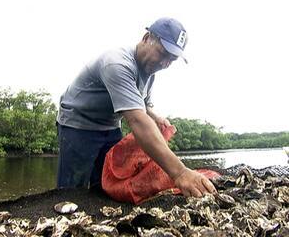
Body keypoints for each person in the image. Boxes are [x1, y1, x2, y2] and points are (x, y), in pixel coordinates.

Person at [56, 17, 217, 198]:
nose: (165, 63)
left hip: (109, 126)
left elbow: (143, 104)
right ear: (147, 38)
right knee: (71, 190)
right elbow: (137, 119)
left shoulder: (149, 71)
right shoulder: (117, 64)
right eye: (163, 53)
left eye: (171, 60)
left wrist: (155, 117)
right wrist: (180, 173)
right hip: (78, 124)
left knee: (107, 184)